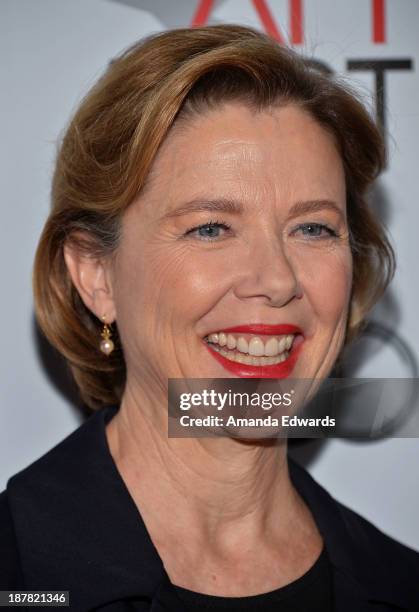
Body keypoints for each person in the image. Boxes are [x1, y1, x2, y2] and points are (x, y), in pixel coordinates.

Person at [1, 24, 418, 612]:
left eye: (313, 228)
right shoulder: (18, 571)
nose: (276, 279)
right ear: (96, 274)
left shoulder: (399, 586)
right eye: (211, 228)